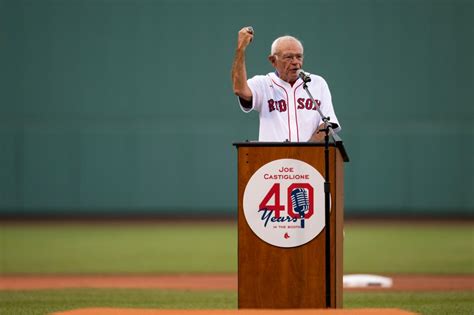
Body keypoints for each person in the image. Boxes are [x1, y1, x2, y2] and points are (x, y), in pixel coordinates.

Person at [231, 26, 341, 142]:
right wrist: (240, 49)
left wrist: (304, 153)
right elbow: (239, 89)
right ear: (273, 61)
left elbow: (328, 124)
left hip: (309, 159)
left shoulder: (317, 83)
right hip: (273, 159)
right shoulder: (263, 83)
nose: (295, 62)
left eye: (299, 57)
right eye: (288, 57)